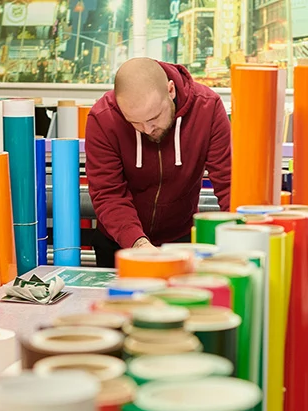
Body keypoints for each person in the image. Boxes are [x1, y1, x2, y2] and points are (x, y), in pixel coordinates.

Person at [85, 57, 232, 267]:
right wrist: (138, 245)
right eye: (135, 122)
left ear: (170, 90)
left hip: (180, 242)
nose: (147, 129)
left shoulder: (208, 108)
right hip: (120, 244)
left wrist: (240, 239)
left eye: (154, 117)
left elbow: (229, 182)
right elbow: (108, 194)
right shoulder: (103, 118)